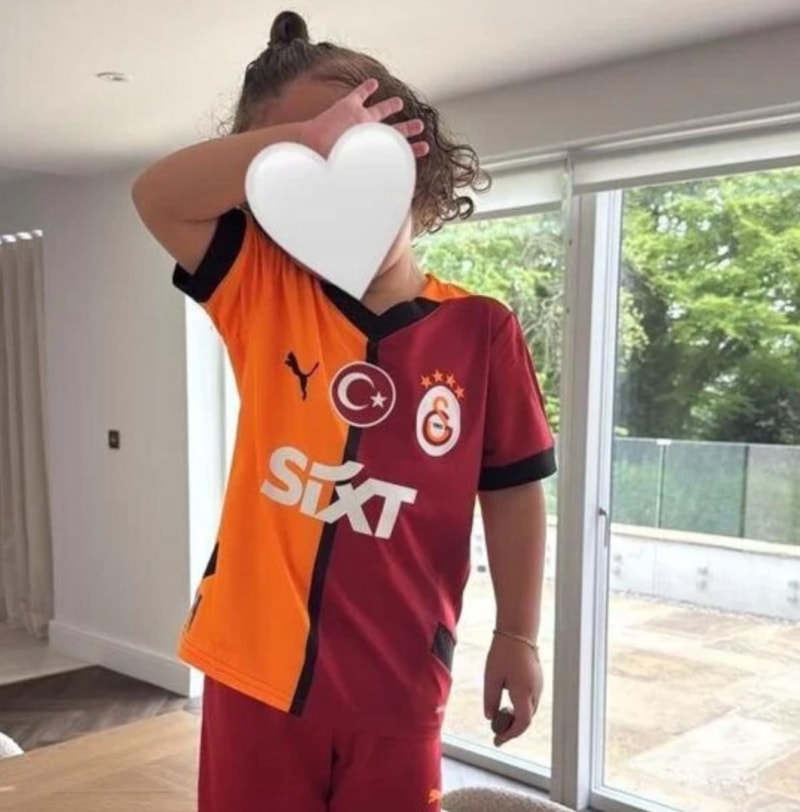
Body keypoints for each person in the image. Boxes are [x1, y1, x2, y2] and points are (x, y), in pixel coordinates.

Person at [132, 10, 556, 812]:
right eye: (304, 162)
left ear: (414, 157)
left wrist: (518, 633)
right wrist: (299, 141)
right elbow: (156, 196)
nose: (338, 173)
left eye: (358, 147)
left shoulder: (482, 329)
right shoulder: (260, 291)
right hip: (253, 670)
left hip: (400, 684)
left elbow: (513, 490)